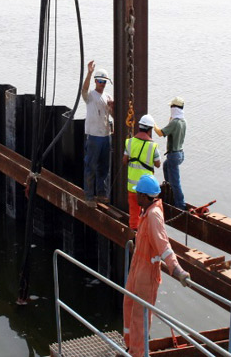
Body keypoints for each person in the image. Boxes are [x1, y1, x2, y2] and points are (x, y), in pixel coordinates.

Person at [122, 174, 189, 357]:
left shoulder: (153, 216)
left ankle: (138, 353)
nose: (135, 196)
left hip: (147, 274)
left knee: (140, 317)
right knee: (128, 305)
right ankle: (129, 347)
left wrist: (177, 270)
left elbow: (164, 245)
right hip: (137, 269)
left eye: (138, 193)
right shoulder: (145, 212)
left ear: (144, 196)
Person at [81, 60, 114, 207]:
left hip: (106, 137)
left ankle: (101, 194)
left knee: (104, 168)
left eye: (104, 81)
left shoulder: (107, 98)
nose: (102, 83)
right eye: (100, 81)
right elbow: (84, 90)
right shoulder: (90, 97)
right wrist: (88, 73)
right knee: (91, 166)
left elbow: (113, 116)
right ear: (96, 81)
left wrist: (112, 108)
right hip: (94, 137)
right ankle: (89, 196)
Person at [123, 114, 161, 229]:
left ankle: (134, 234)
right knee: (148, 211)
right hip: (148, 188)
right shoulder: (153, 146)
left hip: (132, 186)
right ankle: (146, 232)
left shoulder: (129, 142)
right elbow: (158, 164)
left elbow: (124, 161)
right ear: (150, 130)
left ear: (139, 127)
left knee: (134, 212)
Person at [154, 96, 187, 210]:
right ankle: (169, 190)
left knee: (175, 182)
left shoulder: (175, 123)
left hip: (173, 155)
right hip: (180, 154)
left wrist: (153, 124)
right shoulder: (183, 121)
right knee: (165, 165)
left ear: (174, 108)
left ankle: (180, 205)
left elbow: (160, 133)